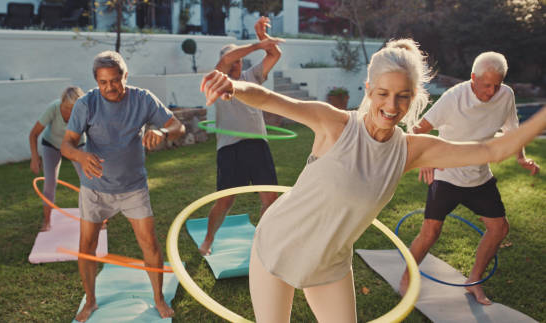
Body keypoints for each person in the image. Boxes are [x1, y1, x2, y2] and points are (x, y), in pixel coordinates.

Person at [199, 39, 546, 322]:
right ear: (368, 89)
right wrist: (233, 86)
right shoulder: (334, 124)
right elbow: (271, 99)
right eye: (382, 93)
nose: (392, 106)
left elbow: (492, 149)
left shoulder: (413, 151)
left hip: (330, 263)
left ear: (414, 98)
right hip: (277, 246)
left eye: (402, 96)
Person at [399, 52, 540, 305]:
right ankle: (406, 280)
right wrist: (428, 159)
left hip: (479, 177)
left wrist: (521, 157)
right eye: (487, 85)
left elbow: (513, 130)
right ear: (473, 78)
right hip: (447, 176)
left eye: (497, 85)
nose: (492, 91)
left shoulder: (505, 95)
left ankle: (473, 280)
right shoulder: (454, 98)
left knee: (499, 228)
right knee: (431, 232)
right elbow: (418, 130)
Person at [61, 50, 185, 322]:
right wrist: (81, 156)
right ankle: (91, 301)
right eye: (103, 82)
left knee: (150, 245)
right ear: (96, 81)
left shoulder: (143, 99)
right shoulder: (86, 104)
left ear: (125, 76)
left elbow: (179, 126)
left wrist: (163, 132)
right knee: (87, 247)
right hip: (95, 187)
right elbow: (66, 144)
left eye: (115, 81)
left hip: (132, 187)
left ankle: (158, 298)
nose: (109, 88)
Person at [198, 16, 285, 256]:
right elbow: (226, 59)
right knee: (225, 200)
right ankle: (207, 240)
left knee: (270, 198)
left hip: (257, 144)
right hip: (230, 147)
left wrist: (262, 37)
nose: (237, 65)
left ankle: (263, 242)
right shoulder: (217, 80)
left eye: (240, 61)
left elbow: (274, 55)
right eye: (234, 62)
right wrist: (258, 46)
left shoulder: (251, 77)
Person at [29, 86, 85, 231]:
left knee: (88, 182)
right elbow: (33, 134)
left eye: (73, 109)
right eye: (66, 107)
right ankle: (46, 221)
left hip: (76, 145)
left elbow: (96, 133)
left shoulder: (84, 113)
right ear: (61, 103)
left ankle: (95, 219)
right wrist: (35, 158)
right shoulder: (53, 108)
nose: (69, 112)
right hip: (51, 145)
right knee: (49, 183)